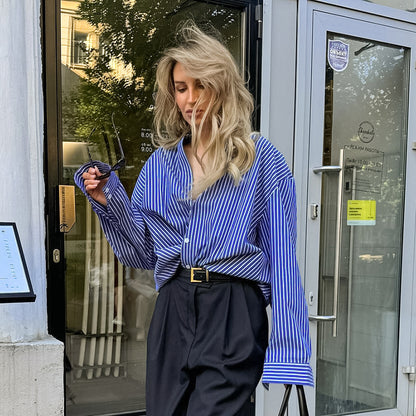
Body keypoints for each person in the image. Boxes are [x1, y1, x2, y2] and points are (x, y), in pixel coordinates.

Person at [75, 21, 313, 416]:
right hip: (173, 305)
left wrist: (290, 352)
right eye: (181, 88)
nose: (190, 99)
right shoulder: (160, 164)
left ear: (222, 86)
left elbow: (283, 259)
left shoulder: (258, 158)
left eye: (200, 85)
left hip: (232, 307)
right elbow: (141, 254)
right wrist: (107, 198)